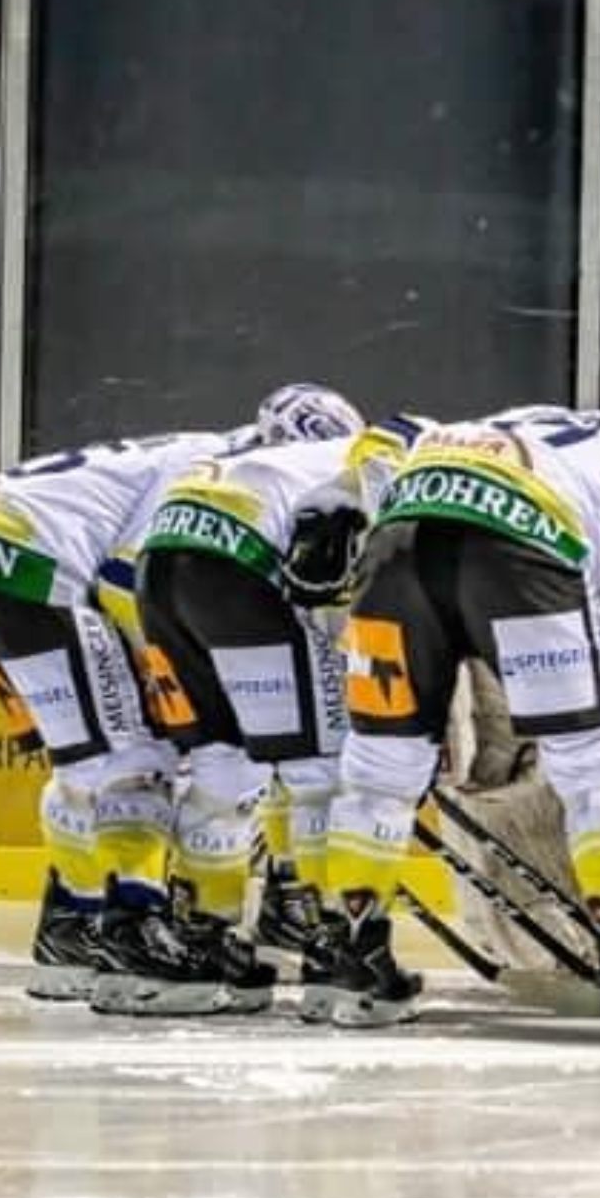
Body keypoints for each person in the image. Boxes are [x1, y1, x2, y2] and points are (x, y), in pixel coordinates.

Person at [0, 385, 347, 1009]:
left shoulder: (210, 455)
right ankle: (132, 931)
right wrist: (182, 680)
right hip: (34, 566)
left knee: (90, 760)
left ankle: (74, 925)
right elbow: (136, 579)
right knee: (134, 763)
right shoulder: (222, 475)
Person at [318, 406, 600, 1035]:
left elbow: (387, 436)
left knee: (379, 770)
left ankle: (354, 963)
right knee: (594, 764)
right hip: (523, 540)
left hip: (398, 532)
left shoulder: (535, 419)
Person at [133, 391, 372, 1016]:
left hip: (158, 571)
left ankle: (198, 944)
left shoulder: (229, 455)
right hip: (236, 572)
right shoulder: (360, 461)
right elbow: (333, 589)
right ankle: (332, 946)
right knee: (318, 766)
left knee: (220, 762)